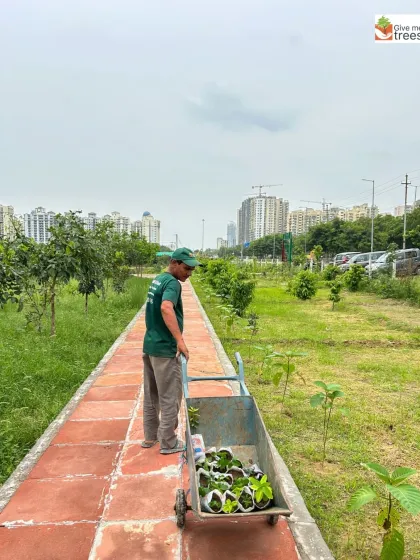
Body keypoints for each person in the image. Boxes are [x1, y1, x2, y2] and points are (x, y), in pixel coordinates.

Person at [141, 247, 201, 454]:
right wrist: (180, 341)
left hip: (150, 345)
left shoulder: (158, 279)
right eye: (186, 268)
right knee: (170, 395)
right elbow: (166, 307)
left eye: (192, 269)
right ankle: (168, 442)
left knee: (152, 394)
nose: (189, 273)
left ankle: (150, 437)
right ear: (174, 263)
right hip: (165, 348)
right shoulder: (173, 284)